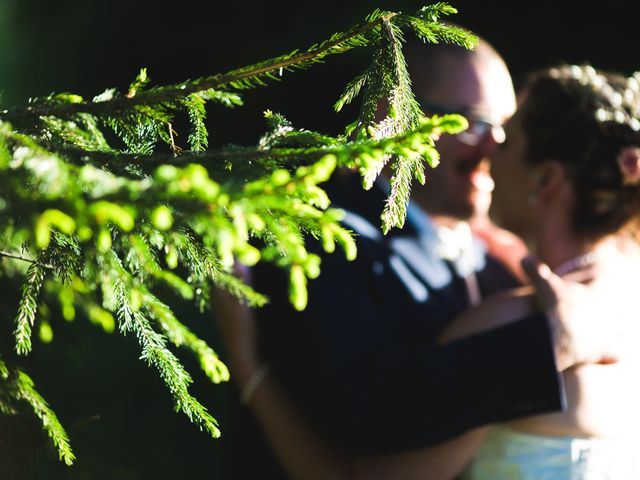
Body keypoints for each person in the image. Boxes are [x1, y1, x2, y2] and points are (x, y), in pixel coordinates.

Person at [214, 37, 609, 479]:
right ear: (393, 117)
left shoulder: (496, 259)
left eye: (506, 130)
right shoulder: (329, 241)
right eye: (472, 122)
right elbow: (374, 417)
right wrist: (550, 343)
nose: (493, 149)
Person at [437, 63, 640, 479]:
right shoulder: (626, 302)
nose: (490, 151)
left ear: (546, 177)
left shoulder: (519, 325)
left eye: (507, 141)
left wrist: (261, 372)